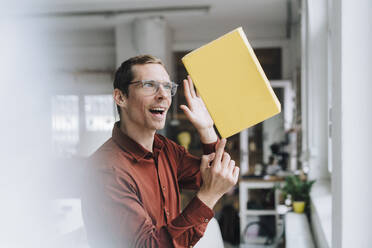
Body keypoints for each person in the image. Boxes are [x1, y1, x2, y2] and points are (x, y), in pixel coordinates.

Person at [81, 55, 239, 248]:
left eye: (167, 86)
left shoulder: (165, 149)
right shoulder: (107, 170)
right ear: (120, 97)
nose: (163, 95)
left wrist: (206, 129)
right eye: (149, 85)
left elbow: (215, 177)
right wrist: (209, 196)